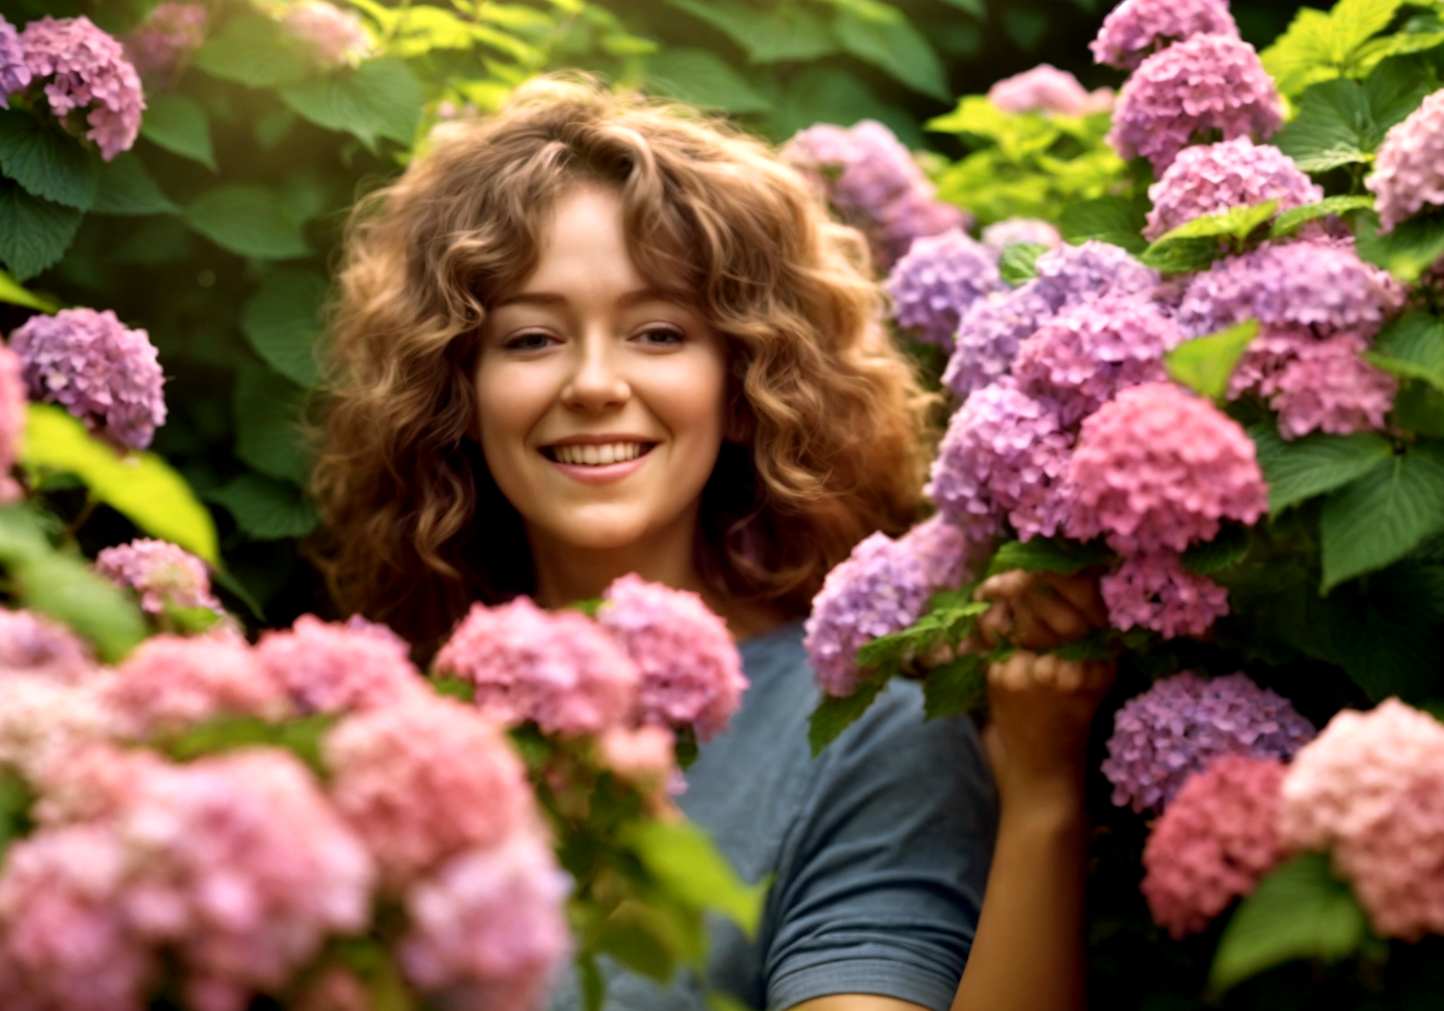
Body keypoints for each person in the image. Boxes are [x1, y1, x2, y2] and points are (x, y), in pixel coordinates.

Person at [311, 76, 1112, 1011]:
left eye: (658, 333)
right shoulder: (380, 736)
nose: (595, 383)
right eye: (531, 339)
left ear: (744, 386)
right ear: (459, 396)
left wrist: (1046, 792)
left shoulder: (857, 736)